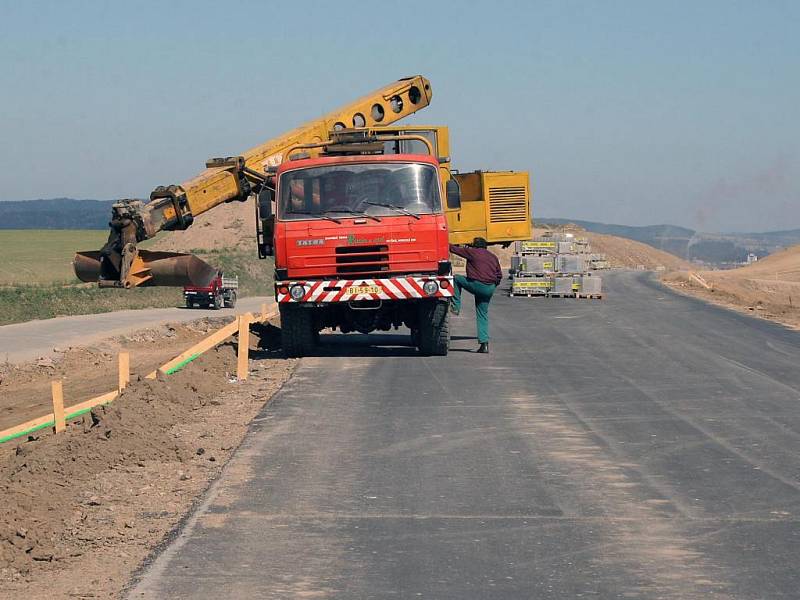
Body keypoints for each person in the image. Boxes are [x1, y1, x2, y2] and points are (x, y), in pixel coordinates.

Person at [449, 237, 503, 353]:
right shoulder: (493, 256)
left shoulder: (472, 252)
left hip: (477, 284)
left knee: (456, 279)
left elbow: (453, 249)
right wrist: (492, 286)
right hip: (489, 288)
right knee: (482, 315)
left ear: (474, 245)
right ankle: (484, 344)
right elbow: (499, 275)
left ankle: (455, 307)